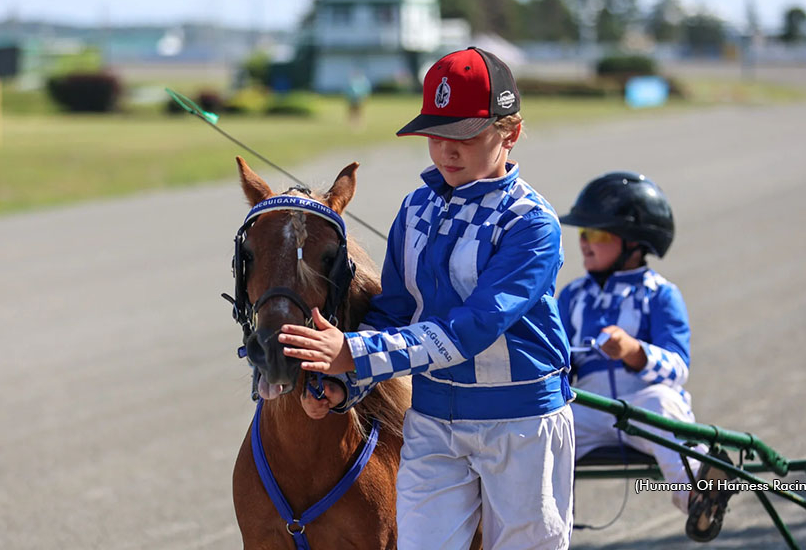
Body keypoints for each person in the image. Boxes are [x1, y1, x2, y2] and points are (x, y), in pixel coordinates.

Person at [278, 47, 576, 550]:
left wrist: (353, 353)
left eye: (465, 135)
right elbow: (393, 311)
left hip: (522, 426)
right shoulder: (415, 208)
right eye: (435, 135)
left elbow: (474, 328)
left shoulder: (532, 224)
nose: (446, 151)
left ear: (510, 132)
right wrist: (342, 382)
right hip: (433, 421)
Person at [556, 171, 736, 542]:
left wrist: (634, 352)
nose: (586, 244)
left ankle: (699, 497)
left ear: (635, 245)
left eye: (599, 235)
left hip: (644, 404)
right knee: (546, 422)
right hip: (588, 404)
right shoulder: (571, 296)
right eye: (583, 234)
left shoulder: (661, 295)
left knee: (663, 403)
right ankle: (546, 531)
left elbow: (678, 367)